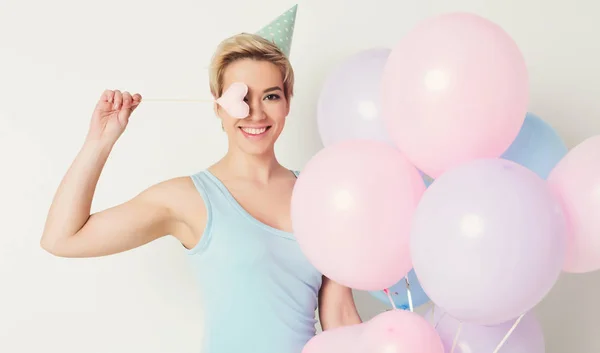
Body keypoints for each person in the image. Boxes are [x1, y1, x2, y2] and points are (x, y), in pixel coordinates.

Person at [40, 6, 362, 353]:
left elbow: (340, 318)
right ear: (218, 106)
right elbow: (62, 238)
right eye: (241, 97)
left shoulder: (318, 194)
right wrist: (99, 140)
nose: (255, 112)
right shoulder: (189, 198)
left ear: (287, 103)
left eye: (270, 95)